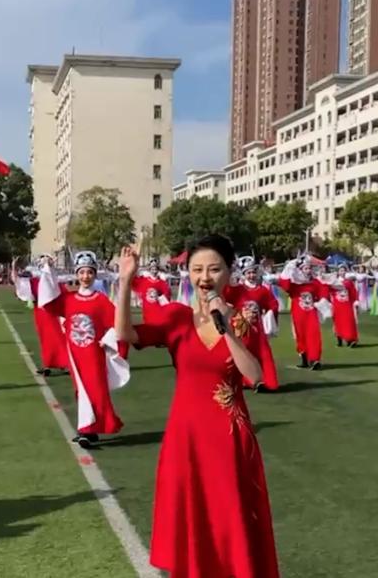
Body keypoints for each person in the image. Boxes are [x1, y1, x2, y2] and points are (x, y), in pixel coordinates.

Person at [114, 236, 279, 578]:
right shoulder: (175, 318)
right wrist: (126, 280)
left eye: (214, 269)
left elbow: (254, 374)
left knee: (231, 520)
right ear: (187, 274)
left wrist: (228, 329)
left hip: (230, 439)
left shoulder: (242, 318)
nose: (205, 277)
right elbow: (125, 333)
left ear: (229, 274)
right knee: (192, 519)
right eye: (197, 269)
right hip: (185, 438)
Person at [38, 251, 130, 448]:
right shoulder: (68, 299)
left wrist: (108, 339)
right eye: (81, 272)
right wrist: (48, 270)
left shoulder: (101, 300)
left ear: (95, 274)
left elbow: (117, 322)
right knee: (81, 390)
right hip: (75, 354)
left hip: (94, 354)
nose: (85, 276)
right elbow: (48, 303)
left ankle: (85, 431)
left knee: (95, 389)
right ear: (76, 274)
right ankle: (90, 429)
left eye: (89, 272)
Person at [228, 256, 280, 391]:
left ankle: (266, 381)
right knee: (243, 353)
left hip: (258, 329)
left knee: (263, 353)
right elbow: (224, 295)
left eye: (253, 272)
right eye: (248, 273)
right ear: (243, 275)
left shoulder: (262, 290)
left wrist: (269, 314)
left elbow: (273, 304)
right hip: (241, 328)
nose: (251, 275)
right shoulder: (238, 289)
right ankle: (245, 380)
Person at [12, 256, 68, 376]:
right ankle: (49, 364)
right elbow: (19, 283)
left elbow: (52, 283)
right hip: (42, 312)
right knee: (46, 339)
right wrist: (14, 268)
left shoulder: (49, 277)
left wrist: (49, 265)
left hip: (51, 312)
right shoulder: (35, 280)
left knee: (57, 337)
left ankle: (64, 364)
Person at [278, 257, 330, 370]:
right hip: (298, 314)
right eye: (305, 268)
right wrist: (290, 267)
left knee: (314, 335)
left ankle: (315, 359)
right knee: (300, 336)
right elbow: (283, 284)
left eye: (309, 268)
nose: (308, 270)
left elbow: (324, 290)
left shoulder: (314, 282)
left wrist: (321, 302)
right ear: (300, 270)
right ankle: (304, 359)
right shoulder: (295, 284)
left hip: (311, 313)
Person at [131, 257, 172, 324]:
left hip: (158, 310)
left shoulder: (162, 282)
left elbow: (167, 295)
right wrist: (133, 267)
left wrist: (159, 298)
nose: (154, 270)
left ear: (158, 270)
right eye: (152, 268)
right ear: (149, 269)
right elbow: (133, 281)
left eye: (155, 268)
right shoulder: (144, 280)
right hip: (147, 311)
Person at [328, 265, 360, 347]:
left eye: (344, 270)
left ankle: (350, 339)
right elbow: (329, 291)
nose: (342, 272)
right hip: (337, 305)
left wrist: (356, 301)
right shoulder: (333, 282)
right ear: (338, 272)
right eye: (341, 270)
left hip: (347, 305)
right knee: (338, 322)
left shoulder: (348, 282)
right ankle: (339, 340)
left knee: (348, 322)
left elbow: (353, 292)